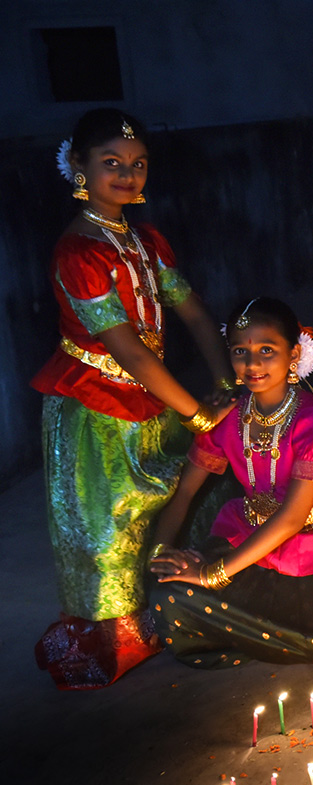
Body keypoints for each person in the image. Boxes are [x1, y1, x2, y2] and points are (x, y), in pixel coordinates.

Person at [32, 108, 235, 689]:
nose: (127, 174)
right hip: (95, 409)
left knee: (188, 495)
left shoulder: (145, 241)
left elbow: (194, 314)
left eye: (138, 164)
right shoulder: (78, 253)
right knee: (109, 526)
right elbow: (130, 352)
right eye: (112, 163)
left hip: (154, 399)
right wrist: (200, 415)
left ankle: (180, 603)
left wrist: (228, 387)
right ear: (79, 166)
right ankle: (114, 639)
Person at [148, 297, 313, 672]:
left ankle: (256, 637)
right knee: (166, 597)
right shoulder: (227, 416)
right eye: (240, 351)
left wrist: (211, 574)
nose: (252, 364)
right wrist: (160, 555)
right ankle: (274, 639)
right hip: (245, 537)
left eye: (267, 350)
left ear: (294, 354)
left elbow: (292, 519)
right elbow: (186, 491)